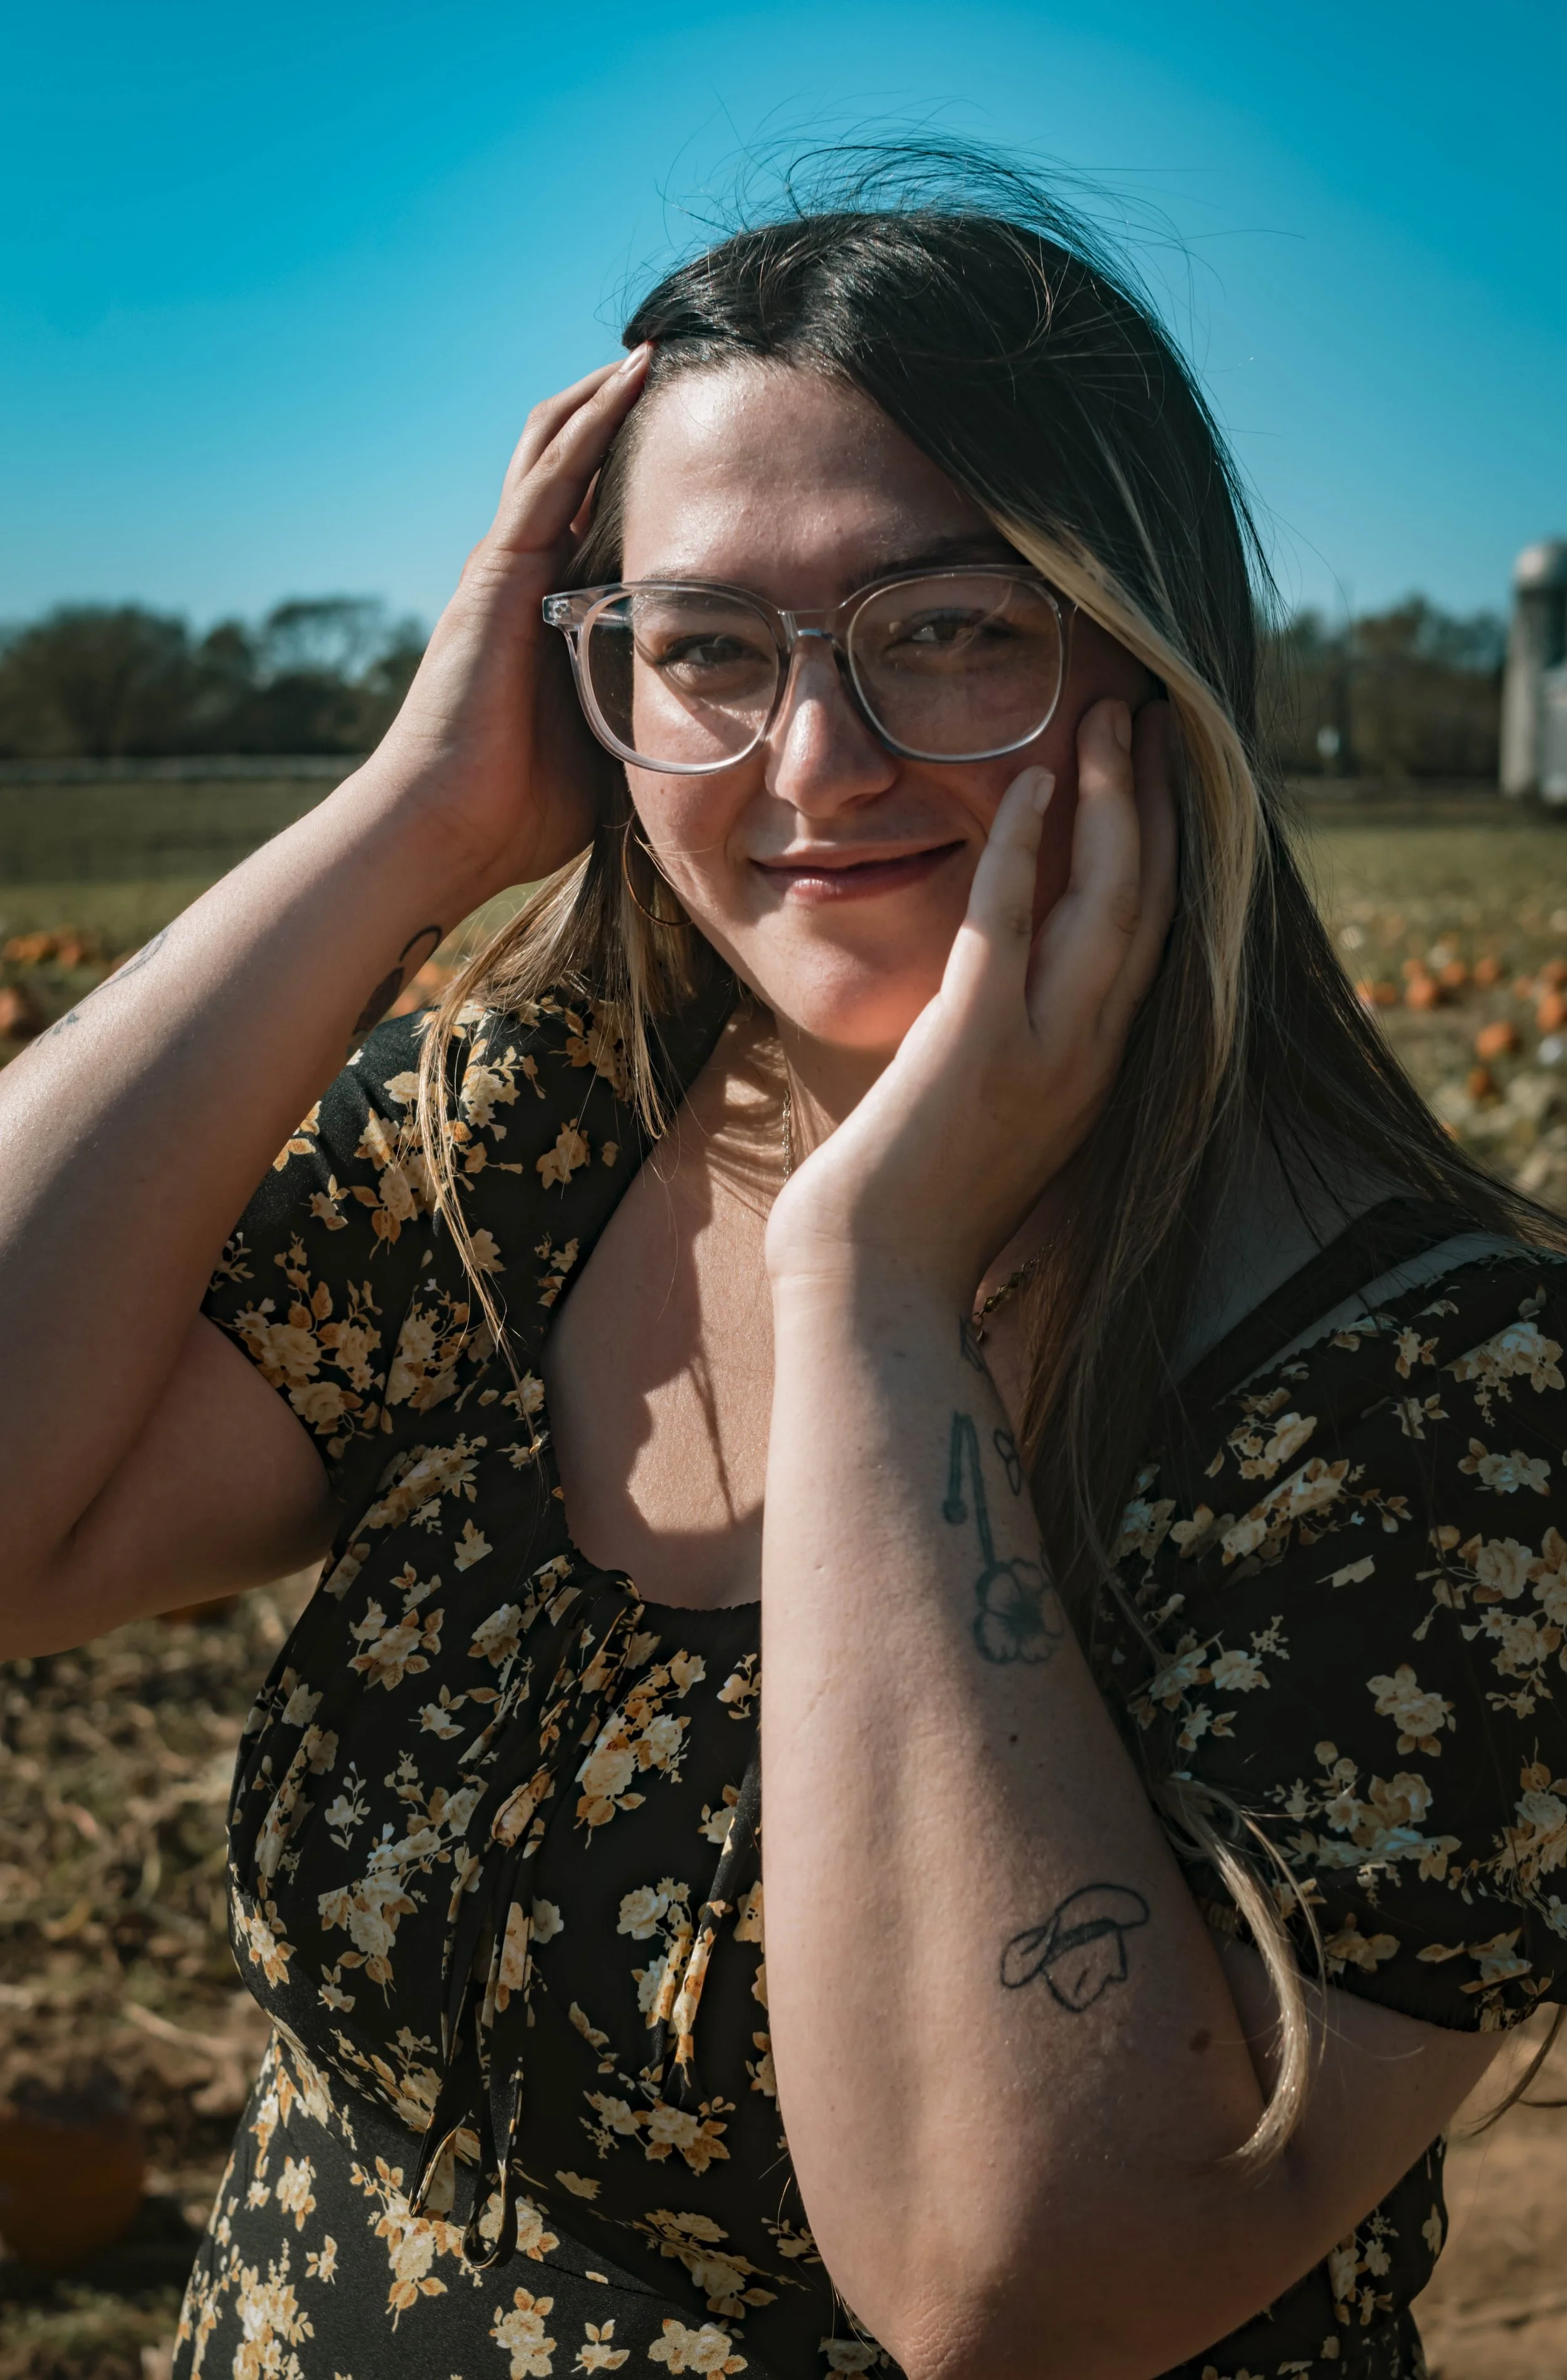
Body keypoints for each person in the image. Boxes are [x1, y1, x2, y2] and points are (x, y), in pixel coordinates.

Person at [3, 147, 1564, 2380]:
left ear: (1150, 658)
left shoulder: (1446, 1404)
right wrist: (407, 818)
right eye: (704, 649)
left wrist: (870, 1291)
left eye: (944, 628)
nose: (811, 761)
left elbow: (1019, 2274)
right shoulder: (529, 1142)